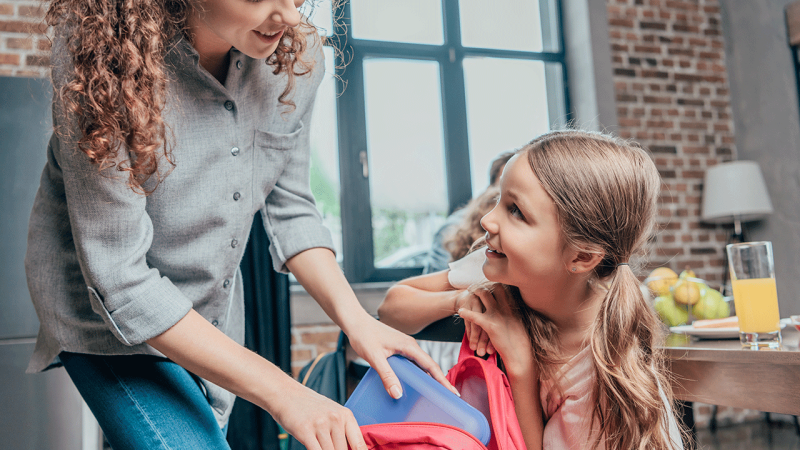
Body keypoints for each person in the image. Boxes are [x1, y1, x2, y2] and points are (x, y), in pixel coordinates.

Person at [25, 1, 455, 449]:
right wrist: (286, 393)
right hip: (106, 319)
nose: (290, 16)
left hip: (210, 313)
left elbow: (291, 207)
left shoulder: (295, 56)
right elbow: (120, 281)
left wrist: (359, 323)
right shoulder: (102, 52)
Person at [378, 130, 685, 450]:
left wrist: (521, 367)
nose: (486, 220)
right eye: (498, 200)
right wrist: (463, 299)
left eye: (516, 211)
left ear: (581, 257)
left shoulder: (597, 377)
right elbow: (390, 309)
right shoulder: (498, 262)